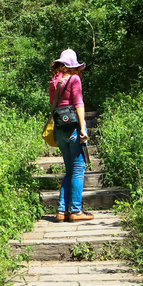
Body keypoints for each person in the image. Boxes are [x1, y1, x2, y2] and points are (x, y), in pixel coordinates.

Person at [50, 49, 93, 222]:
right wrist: (83, 128)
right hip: (74, 128)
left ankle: (61, 211)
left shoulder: (54, 82)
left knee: (69, 171)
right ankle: (75, 210)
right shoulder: (74, 79)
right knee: (78, 170)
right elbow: (79, 104)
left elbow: (54, 105)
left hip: (59, 130)